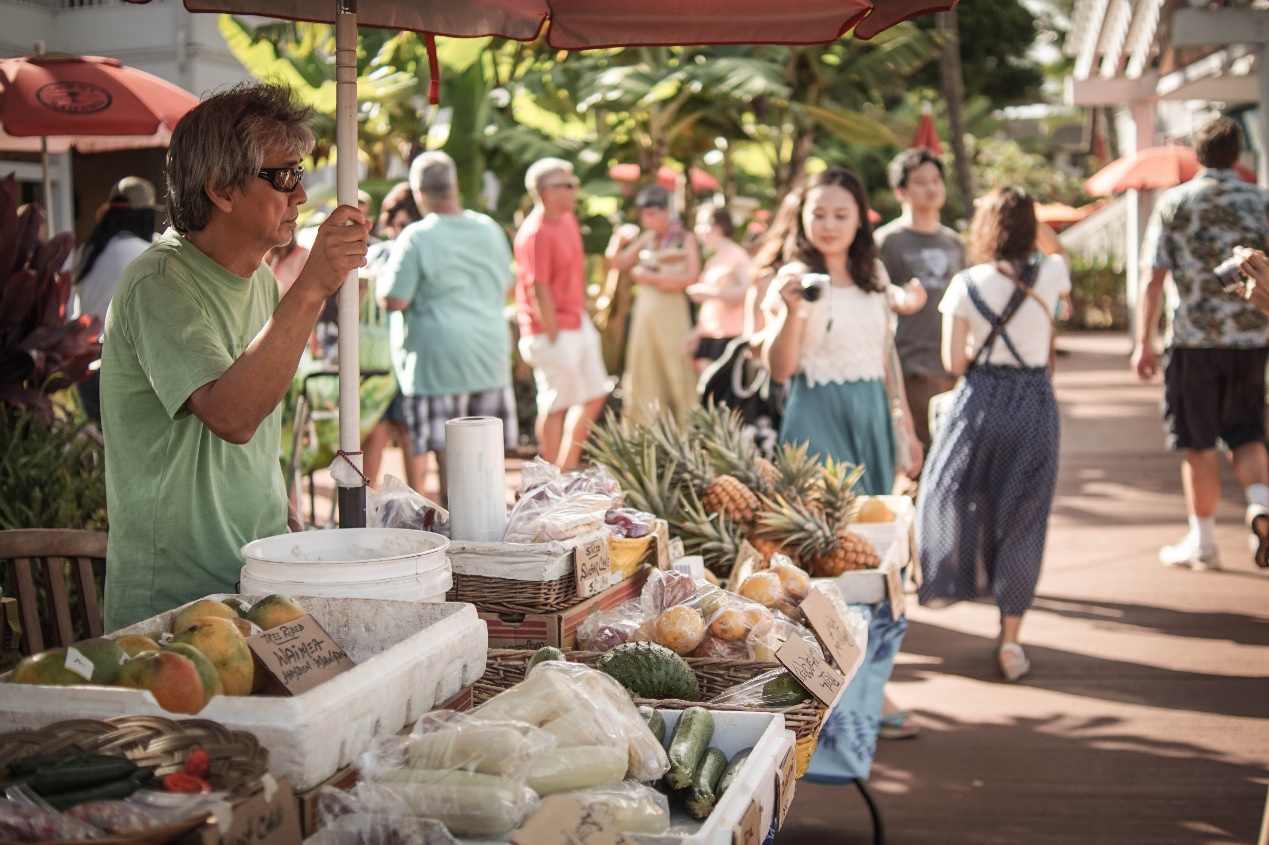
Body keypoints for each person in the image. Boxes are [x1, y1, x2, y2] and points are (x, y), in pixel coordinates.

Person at [99, 82, 371, 630]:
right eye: (285, 176)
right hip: (174, 606)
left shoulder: (261, 282)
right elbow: (233, 416)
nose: (301, 194)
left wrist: (281, 516)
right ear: (221, 188)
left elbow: (256, 432)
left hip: (254, 581)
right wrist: (312, 287)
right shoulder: (158, 281)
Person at [915, 186, 1070, 682]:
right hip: (1034, 401)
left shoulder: (965, 283)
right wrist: (1028, 221)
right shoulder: (1052, 273)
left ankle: (958, 580)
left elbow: (953, 362)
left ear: (985, 228)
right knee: (1025, 516)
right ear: (1030, 228)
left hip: (979, 400)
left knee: (955, 496)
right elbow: (1058, 251)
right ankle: (1011, 639)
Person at [1131, 116, 1269, 572]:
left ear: (1198, 154)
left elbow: (1153, 279)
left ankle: (1204, 543)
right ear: (1238, 153)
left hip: (1193, 341)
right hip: (1252, 339)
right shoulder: (1261, 201)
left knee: (1199, 443)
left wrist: (1144, 342)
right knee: (1248, 433)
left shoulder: (1176, 203)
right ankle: (1260, 505)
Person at [760, 167, 923, 495]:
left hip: (873, 411)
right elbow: (779, 370)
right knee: (828, 516)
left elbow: (886, 352)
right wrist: (791, 312)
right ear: (802, 217)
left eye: (841, 215)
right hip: (815, 412)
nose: (829, 225)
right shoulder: (793, 278)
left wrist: (905, 422)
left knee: (872, 516)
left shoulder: (874, 274)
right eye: (818, 215)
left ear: (859, 218)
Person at [378, 151, 518, 501]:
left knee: (449, 470)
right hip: (488, 356)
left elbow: (395, 299)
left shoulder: (416, 236)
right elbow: (508, 286)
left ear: (419, 192)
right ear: (454, 186)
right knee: (486, 468)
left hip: (437, 362)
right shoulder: (489, 229)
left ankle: (457, 534)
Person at [513, 157, 612, 470]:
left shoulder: (567, 220)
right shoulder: (535, 233)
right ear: (547, 192)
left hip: (576, 322)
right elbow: (537, 287)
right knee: (555, 405)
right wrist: (553, 332)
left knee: (595, 393)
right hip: (550, 330)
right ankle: (550, 476)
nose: (574, 190)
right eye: (568, 185)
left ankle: (565, 469)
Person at [875, 148, 966, 453]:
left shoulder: (954, 242)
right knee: (921, 456)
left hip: (953, 367)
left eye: (936, 180)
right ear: (900, 191)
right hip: (910, 366)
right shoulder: (886, 242)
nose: (931, 187)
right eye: (920, 181)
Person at [605, 183, 701, 424]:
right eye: (644, 214)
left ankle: (685, 425)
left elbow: (692, 276)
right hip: (645, 315)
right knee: (644, 367)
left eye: (652, 214)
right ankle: (642, 426)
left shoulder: (684, 238)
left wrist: (653, 278)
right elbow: (618, 263)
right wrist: (618, 240)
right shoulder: (647, 237)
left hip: (672, 312)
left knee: (675, 364)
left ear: (666, 211)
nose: (647, 220)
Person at [73, 179, 158, 423]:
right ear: (144, 215)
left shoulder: (86, 251)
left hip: (87, 364)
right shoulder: (148, 253)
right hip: (125, 366)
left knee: (100, 442)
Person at [361, 182, 423, 488]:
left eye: (406, 225)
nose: (398, 232)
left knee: (411, 434)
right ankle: (363, 506)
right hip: (376, 361)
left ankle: (419, 503)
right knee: (375, 430)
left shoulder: (421, 251)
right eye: (395, 224)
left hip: (409, 357)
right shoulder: (376, 254)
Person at [686, 203, 752, 369]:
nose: (698, 230)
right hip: (710, 333)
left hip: (730, 334)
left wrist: (711, 295)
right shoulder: (714, 258)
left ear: (718, 227)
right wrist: (698, 331)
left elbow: (747, 291)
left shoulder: (737, 254)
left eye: (702, 224)